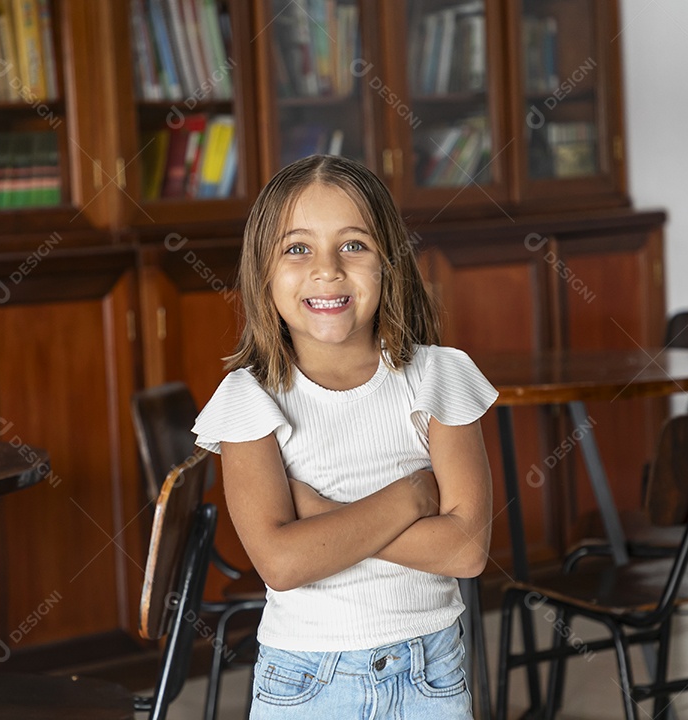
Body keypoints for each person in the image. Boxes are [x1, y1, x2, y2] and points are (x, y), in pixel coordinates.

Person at [193, 155, 497, 718]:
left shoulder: (440, 376)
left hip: (431, 672)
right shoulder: (247, 398)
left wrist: (319, 514)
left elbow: (465, 550)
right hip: (306, 680)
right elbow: (282, 563)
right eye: (297, 248)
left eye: (353, 245)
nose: (327, 270)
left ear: (389, 263)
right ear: (263, 271)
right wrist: (412, 497)